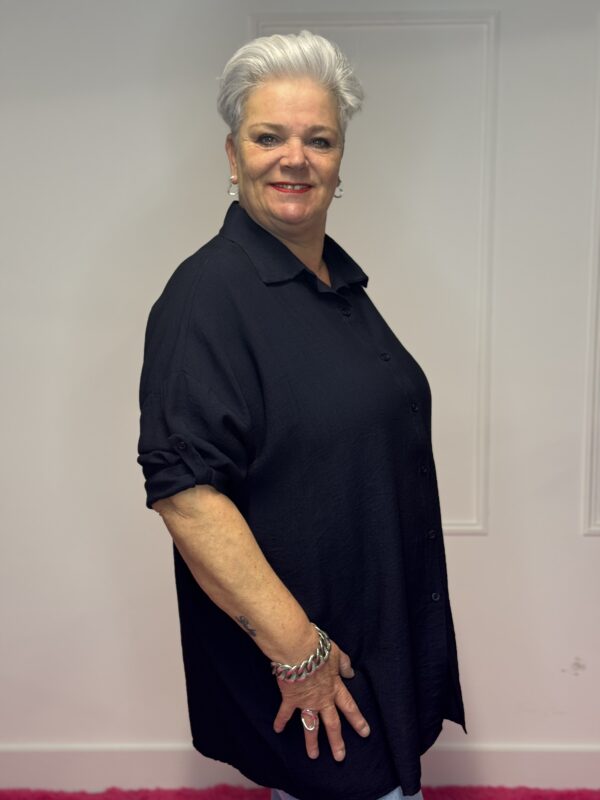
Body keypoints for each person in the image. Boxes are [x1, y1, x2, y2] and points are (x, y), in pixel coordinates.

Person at [137, 30, 466, 800]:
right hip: (316, 664)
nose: (296, 158)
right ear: (232, 155)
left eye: (319, 139)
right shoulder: (207, 296)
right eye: (268, 137)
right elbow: (188, 498)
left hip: (372, 637)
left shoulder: (336, 283)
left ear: (340, 160)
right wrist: (301, 656)